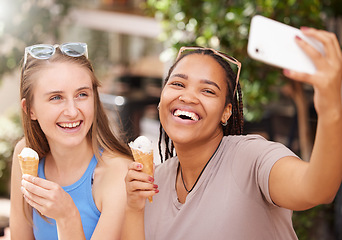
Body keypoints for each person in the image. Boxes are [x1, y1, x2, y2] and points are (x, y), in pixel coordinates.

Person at [122, 27, 342, 240]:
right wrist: (134, 207)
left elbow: (316, 190)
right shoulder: (153, 181)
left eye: (208, 90)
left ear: (226, 112)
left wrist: (331, 109)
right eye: (178, 84)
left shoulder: (250, 158)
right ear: (161, 99)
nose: (188, 97)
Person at [10, 42, 132, 240]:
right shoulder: (25, 154)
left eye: (82, 94)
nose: (73, 111)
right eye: (56, 97)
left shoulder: (118, 173)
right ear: (29, 109)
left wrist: (67, 216)